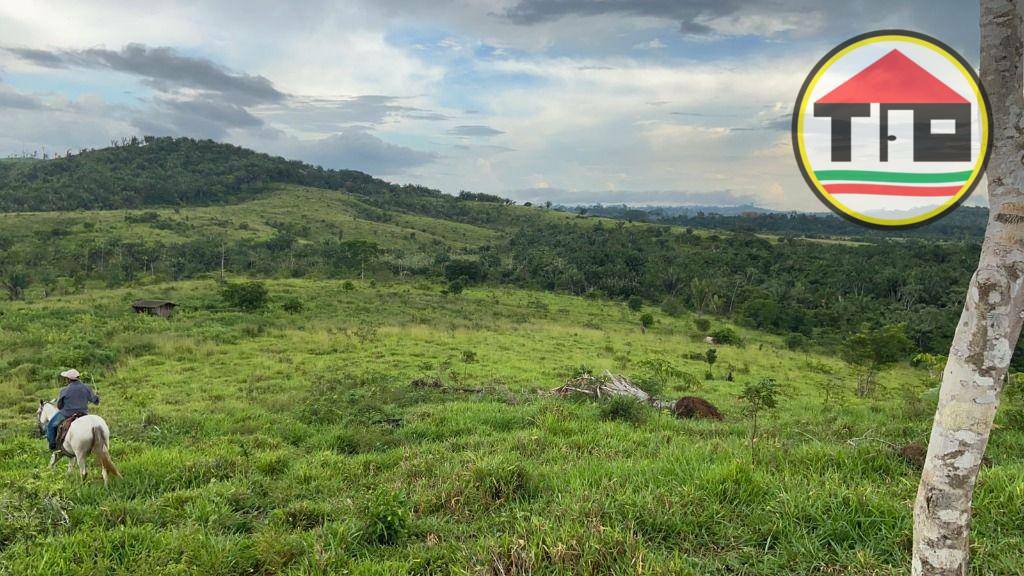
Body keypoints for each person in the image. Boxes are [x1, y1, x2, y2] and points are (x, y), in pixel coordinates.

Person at [46, 369, 100, 451]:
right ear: (78, 378)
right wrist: (97, 396)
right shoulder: (87, 388)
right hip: (83, 414)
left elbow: (59, 406)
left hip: (66, 414)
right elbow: (95, 402)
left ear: (68, 379)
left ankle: (53, 445)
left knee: (51, 425)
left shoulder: (64, 390)